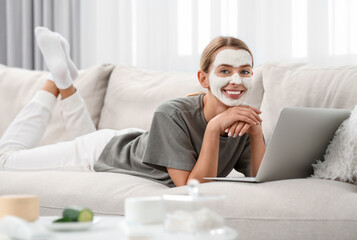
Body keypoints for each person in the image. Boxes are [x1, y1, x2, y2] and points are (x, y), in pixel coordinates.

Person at [0, 27, 265, 187]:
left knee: (83, 134)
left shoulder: (242, 119)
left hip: (126, 142)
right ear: (203, 78)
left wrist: (255, 132)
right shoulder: (171, 112)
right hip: (101, 154)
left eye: (245, 71)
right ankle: (53, 81)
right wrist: (213, 128)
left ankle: (62, 78)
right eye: (225, 70)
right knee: (5, 161)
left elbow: (258, 176)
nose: (236, 80)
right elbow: (190, 187)